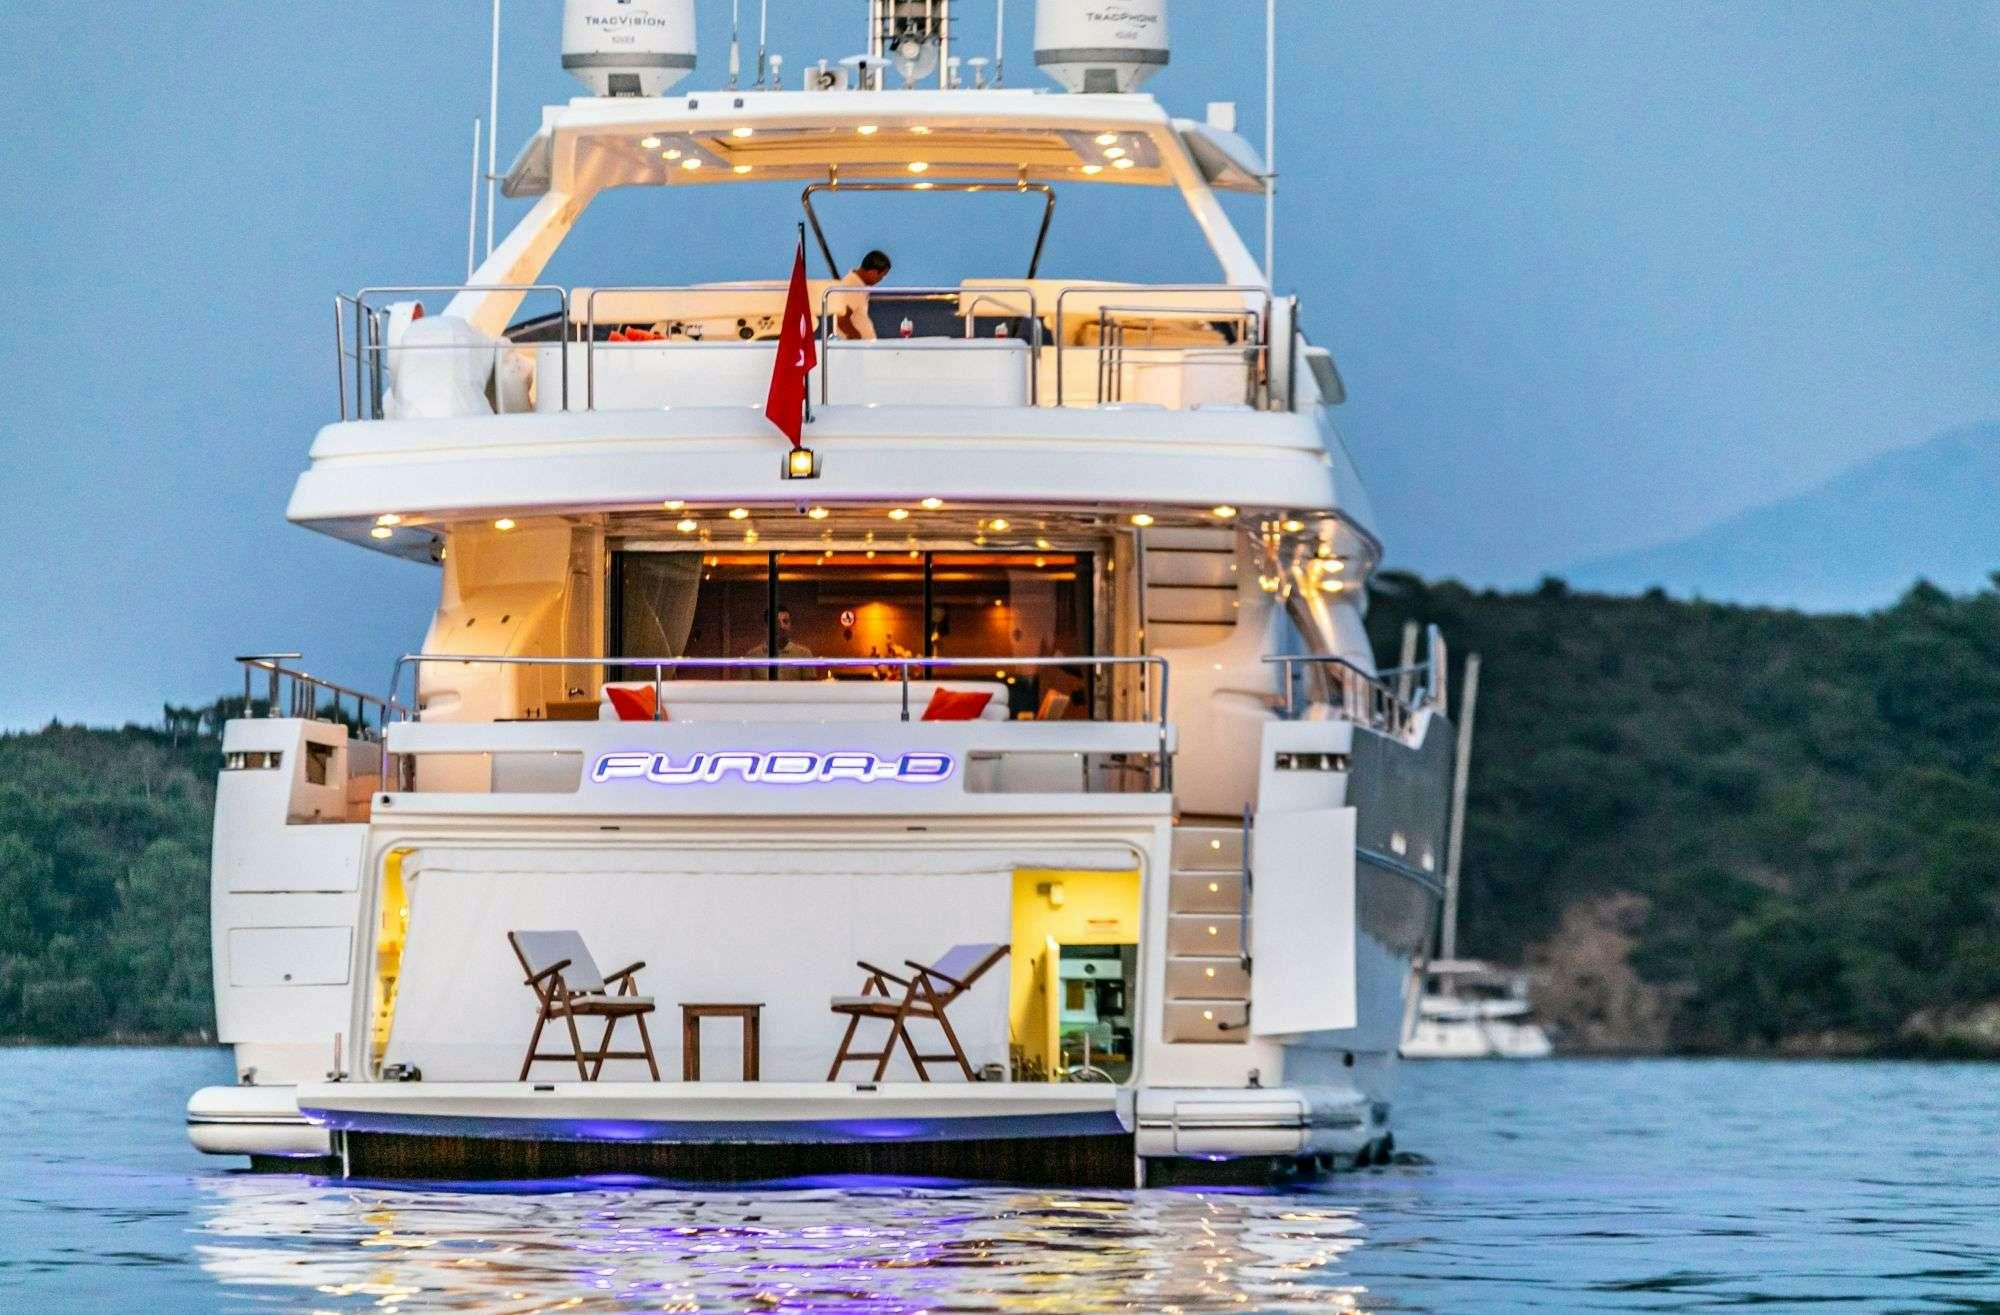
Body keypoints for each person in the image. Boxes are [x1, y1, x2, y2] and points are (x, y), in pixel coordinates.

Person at [832, 249, 892, 341]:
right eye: (881, 276)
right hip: (859, 349)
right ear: (873, 272)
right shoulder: (852, 287)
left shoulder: (857, 284)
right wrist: (858, 341)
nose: (880, 280)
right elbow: (842, 320)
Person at [742, 606, 816, 679]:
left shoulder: (804, 655)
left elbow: (810, 689)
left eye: (786, 621)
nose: (782, 626)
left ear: (790, 625)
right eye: (776, 622)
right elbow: (746, 689)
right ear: (766, 627)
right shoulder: (752, 656)